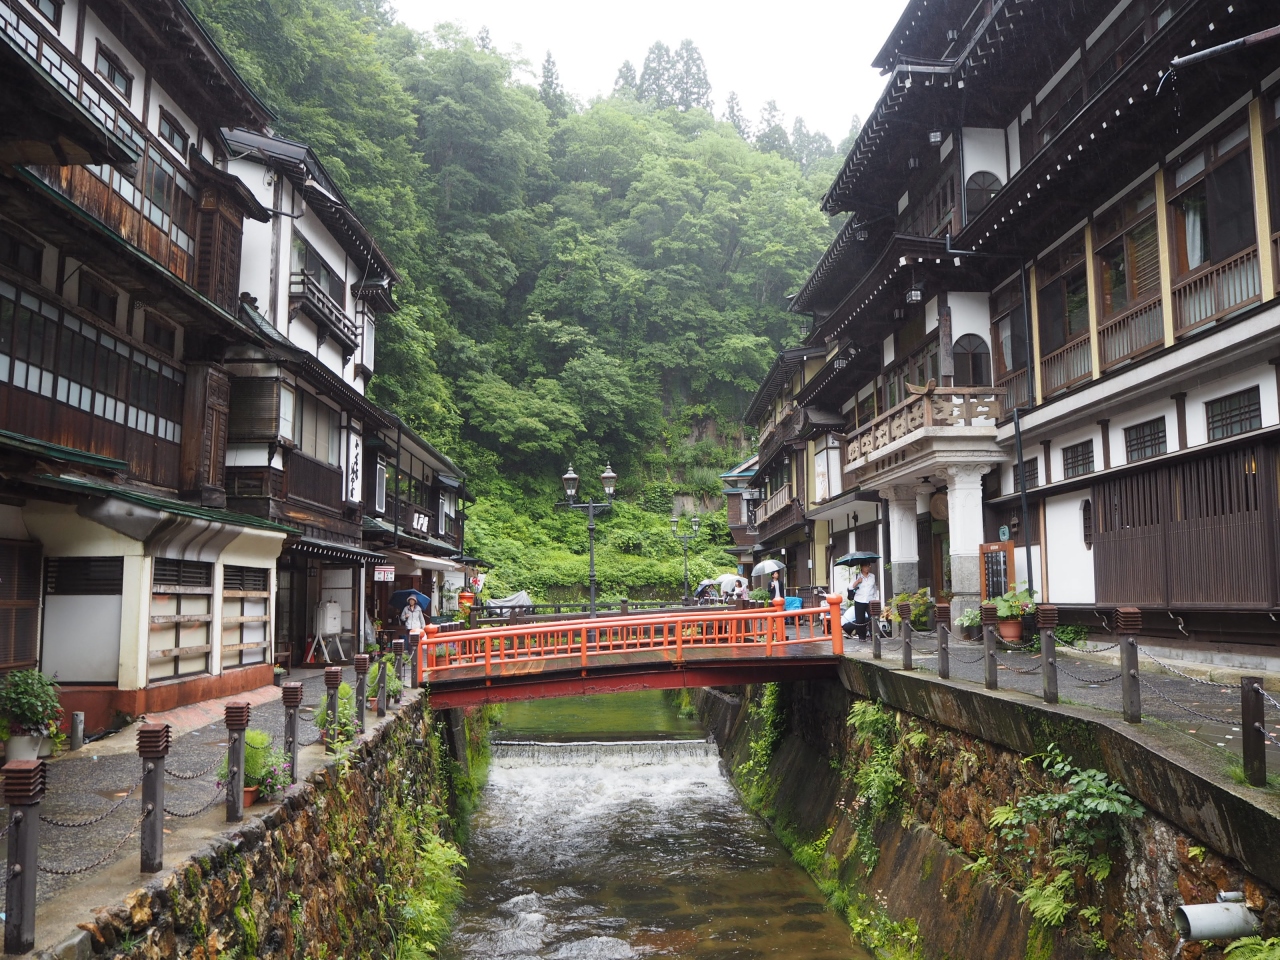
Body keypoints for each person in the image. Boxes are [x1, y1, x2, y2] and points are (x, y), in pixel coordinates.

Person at [848, 563, 877, 640]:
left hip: (870, 600)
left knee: (872, 618)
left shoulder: (872, 576)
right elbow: (850, 587)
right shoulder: (857, 576)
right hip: (859, 600)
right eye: (866, 566)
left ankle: (873, 636)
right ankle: (862, 637)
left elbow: (874, 587)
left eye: (869, 566)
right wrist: (857, 581)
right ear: (861, 567)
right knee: (860, 620)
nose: (868, 568)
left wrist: (875, 598)